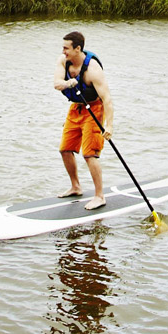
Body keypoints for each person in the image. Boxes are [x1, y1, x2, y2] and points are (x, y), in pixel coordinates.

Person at [53, 31, 113, 210]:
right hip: (76, 108)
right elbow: (57, 84)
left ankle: (99, 196)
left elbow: (107, 100)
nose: (63, 51)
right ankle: (75, 187)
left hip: (94, 108)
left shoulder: (93, 70)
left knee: (89, 154)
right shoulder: (63, 61)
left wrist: (109, 125)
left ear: (77, 49)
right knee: (65, 149)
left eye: (66, 48)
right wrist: (68, 83)